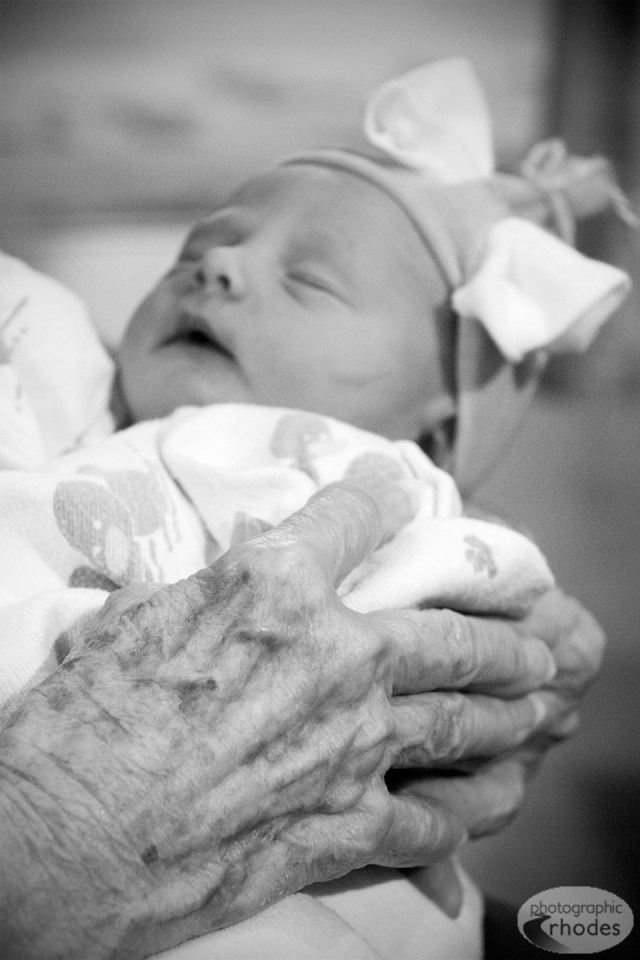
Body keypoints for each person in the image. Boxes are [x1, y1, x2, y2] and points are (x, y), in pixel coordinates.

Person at [0, 59, 626, 958]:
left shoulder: (366, 482)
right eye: (194, 251)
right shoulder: (67, 395)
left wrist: (498, 583)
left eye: (312, 281)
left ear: (433, 429)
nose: (219, 265)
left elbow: (462, 624)